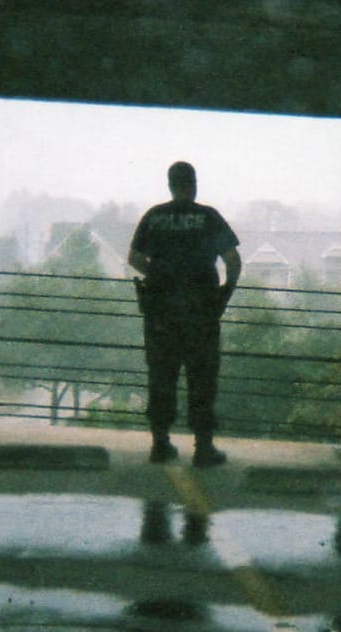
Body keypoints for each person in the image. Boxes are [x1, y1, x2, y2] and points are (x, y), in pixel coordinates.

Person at [128, 161, 241, 467]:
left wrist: (163, 276)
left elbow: (135, 258)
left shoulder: (154, 217)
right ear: (194, 183)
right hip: (201, 311)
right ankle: (203, 448)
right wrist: (224, 293)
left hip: (161, 313)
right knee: (202, 377)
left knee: (162, 375)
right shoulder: (208, 217)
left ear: (170, 184)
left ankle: (160, 443)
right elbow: (232, 259)